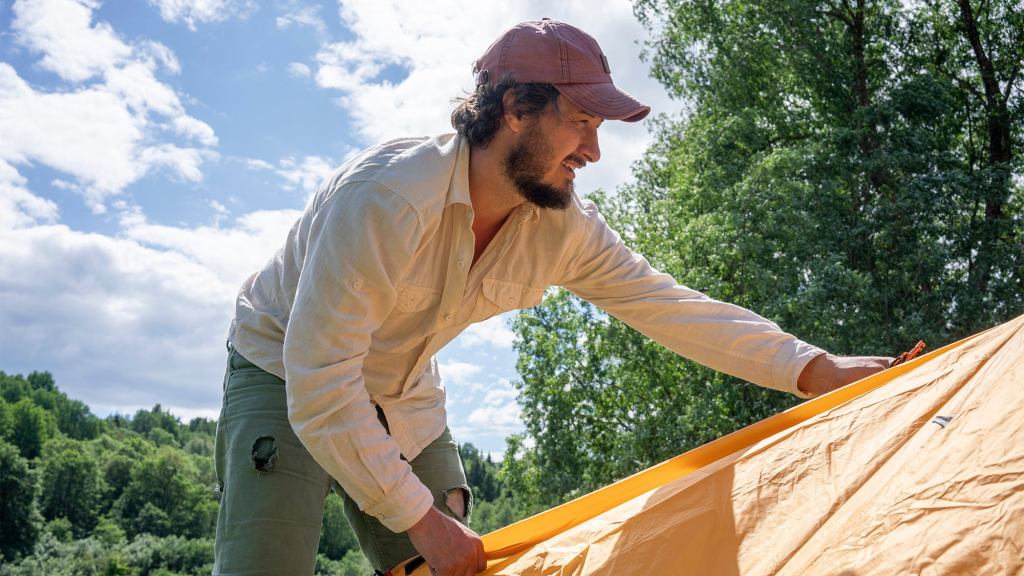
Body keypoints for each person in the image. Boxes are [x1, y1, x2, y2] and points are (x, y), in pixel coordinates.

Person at [213, 18, 891, 576]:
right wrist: (422, 520)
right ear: (515, 108)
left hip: (404, 388)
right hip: (284, 369)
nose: (594, 150)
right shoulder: (387, 198)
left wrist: (814, 369)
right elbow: (321, 382)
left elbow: (667, 304)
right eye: (582, 122)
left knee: (450, 569)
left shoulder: (562, 226)